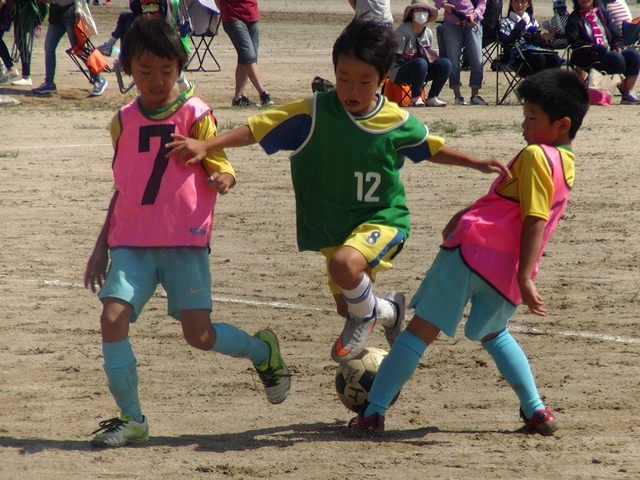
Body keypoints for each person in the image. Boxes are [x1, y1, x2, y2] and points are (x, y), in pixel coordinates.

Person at [166, 20, 510, 365]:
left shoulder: (396, 121)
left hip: (383, 218)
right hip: (333, 228)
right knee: (345, 303)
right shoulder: (313, 113)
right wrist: (207, 143)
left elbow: (430, 149)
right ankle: (389, 310)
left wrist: (476, 163)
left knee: (346, 268)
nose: (352, 89)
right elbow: (256, 129)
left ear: (382, 80)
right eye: (344, 78)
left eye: (364, 81)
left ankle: (366, 318)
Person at [347, 68, 590, 437]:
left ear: (562, 124)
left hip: (473, 254)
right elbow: (510, 203)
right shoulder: (566, 164)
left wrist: (525, 276)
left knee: (418, 331)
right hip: (504, 271)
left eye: (532, 118)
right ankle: (535, 410)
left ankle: (373, 412)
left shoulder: (536, 155)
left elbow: (534, 218)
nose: (523, 125)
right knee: (496, 334)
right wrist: (469, 217)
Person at [83, 18, 290, 448]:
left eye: (165, 70)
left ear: (180, 66)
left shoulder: (196, 114)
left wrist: (223, 179)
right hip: (131, 244)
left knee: (199, 336)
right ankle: (132, 418)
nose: (156, 80)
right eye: (144, 71)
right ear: (128, 71)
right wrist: (100, 247)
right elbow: (123, 187)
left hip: (184, 242)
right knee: (112, 318)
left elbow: (221, 162)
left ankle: (261, 351)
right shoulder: (121, 121)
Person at [566, 0, 640, 105]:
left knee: (633, 55)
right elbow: (573, 41)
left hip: (609, 51)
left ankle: (627, 93)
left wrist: (617, 46)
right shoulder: (574, 18)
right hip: (589, 54)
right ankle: (626, 92)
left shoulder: (603, 14)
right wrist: (594, 47)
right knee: (616, 59)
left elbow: (616, 35)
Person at [31, 0, 108, 96]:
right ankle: (49, 83)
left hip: (71, 14)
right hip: (56, 13)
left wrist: (78, 9)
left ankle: (99, 80)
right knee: (49, 48)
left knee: (79, 50)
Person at [392, 0, 452, 107]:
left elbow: (429, 55)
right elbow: (395, 57)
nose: (422, 12)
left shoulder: (428, 32)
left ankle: (432, 97)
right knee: (420, 62)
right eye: (418, 10)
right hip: (400, 72)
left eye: (425, 10)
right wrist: (413, 61)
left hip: (422, 70)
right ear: (411, 13)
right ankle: (415, 98)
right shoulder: (402, 31)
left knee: (445, 63)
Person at [215, 0, 274, 107]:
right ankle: (263, 94)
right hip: (233, 16)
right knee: (248, 57)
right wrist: (225, 11)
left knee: (247, 58)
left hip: (252, 14)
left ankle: (238, 98)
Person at [434, 0, 489, 105]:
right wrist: (443, 5)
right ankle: (457, 95)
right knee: (453, 61)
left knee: (477, 61)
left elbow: (482, 2)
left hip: (473, 22)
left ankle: (475, 95)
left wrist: (475, 14)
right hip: (452, 23)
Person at [498, 0, 562, 77]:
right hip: (517, 58)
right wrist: (519, 27)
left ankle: (550, 87)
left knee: (555, 58)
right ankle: (536, 87)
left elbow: (541, 44)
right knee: (539, 58)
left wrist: (535, 37)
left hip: (535, 51)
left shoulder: (533, 22)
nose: (520, 5)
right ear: (511, 3)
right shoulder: (505, 22)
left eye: (523, 2)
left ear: (528, 4)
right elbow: (505, 42)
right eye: (516, 1)